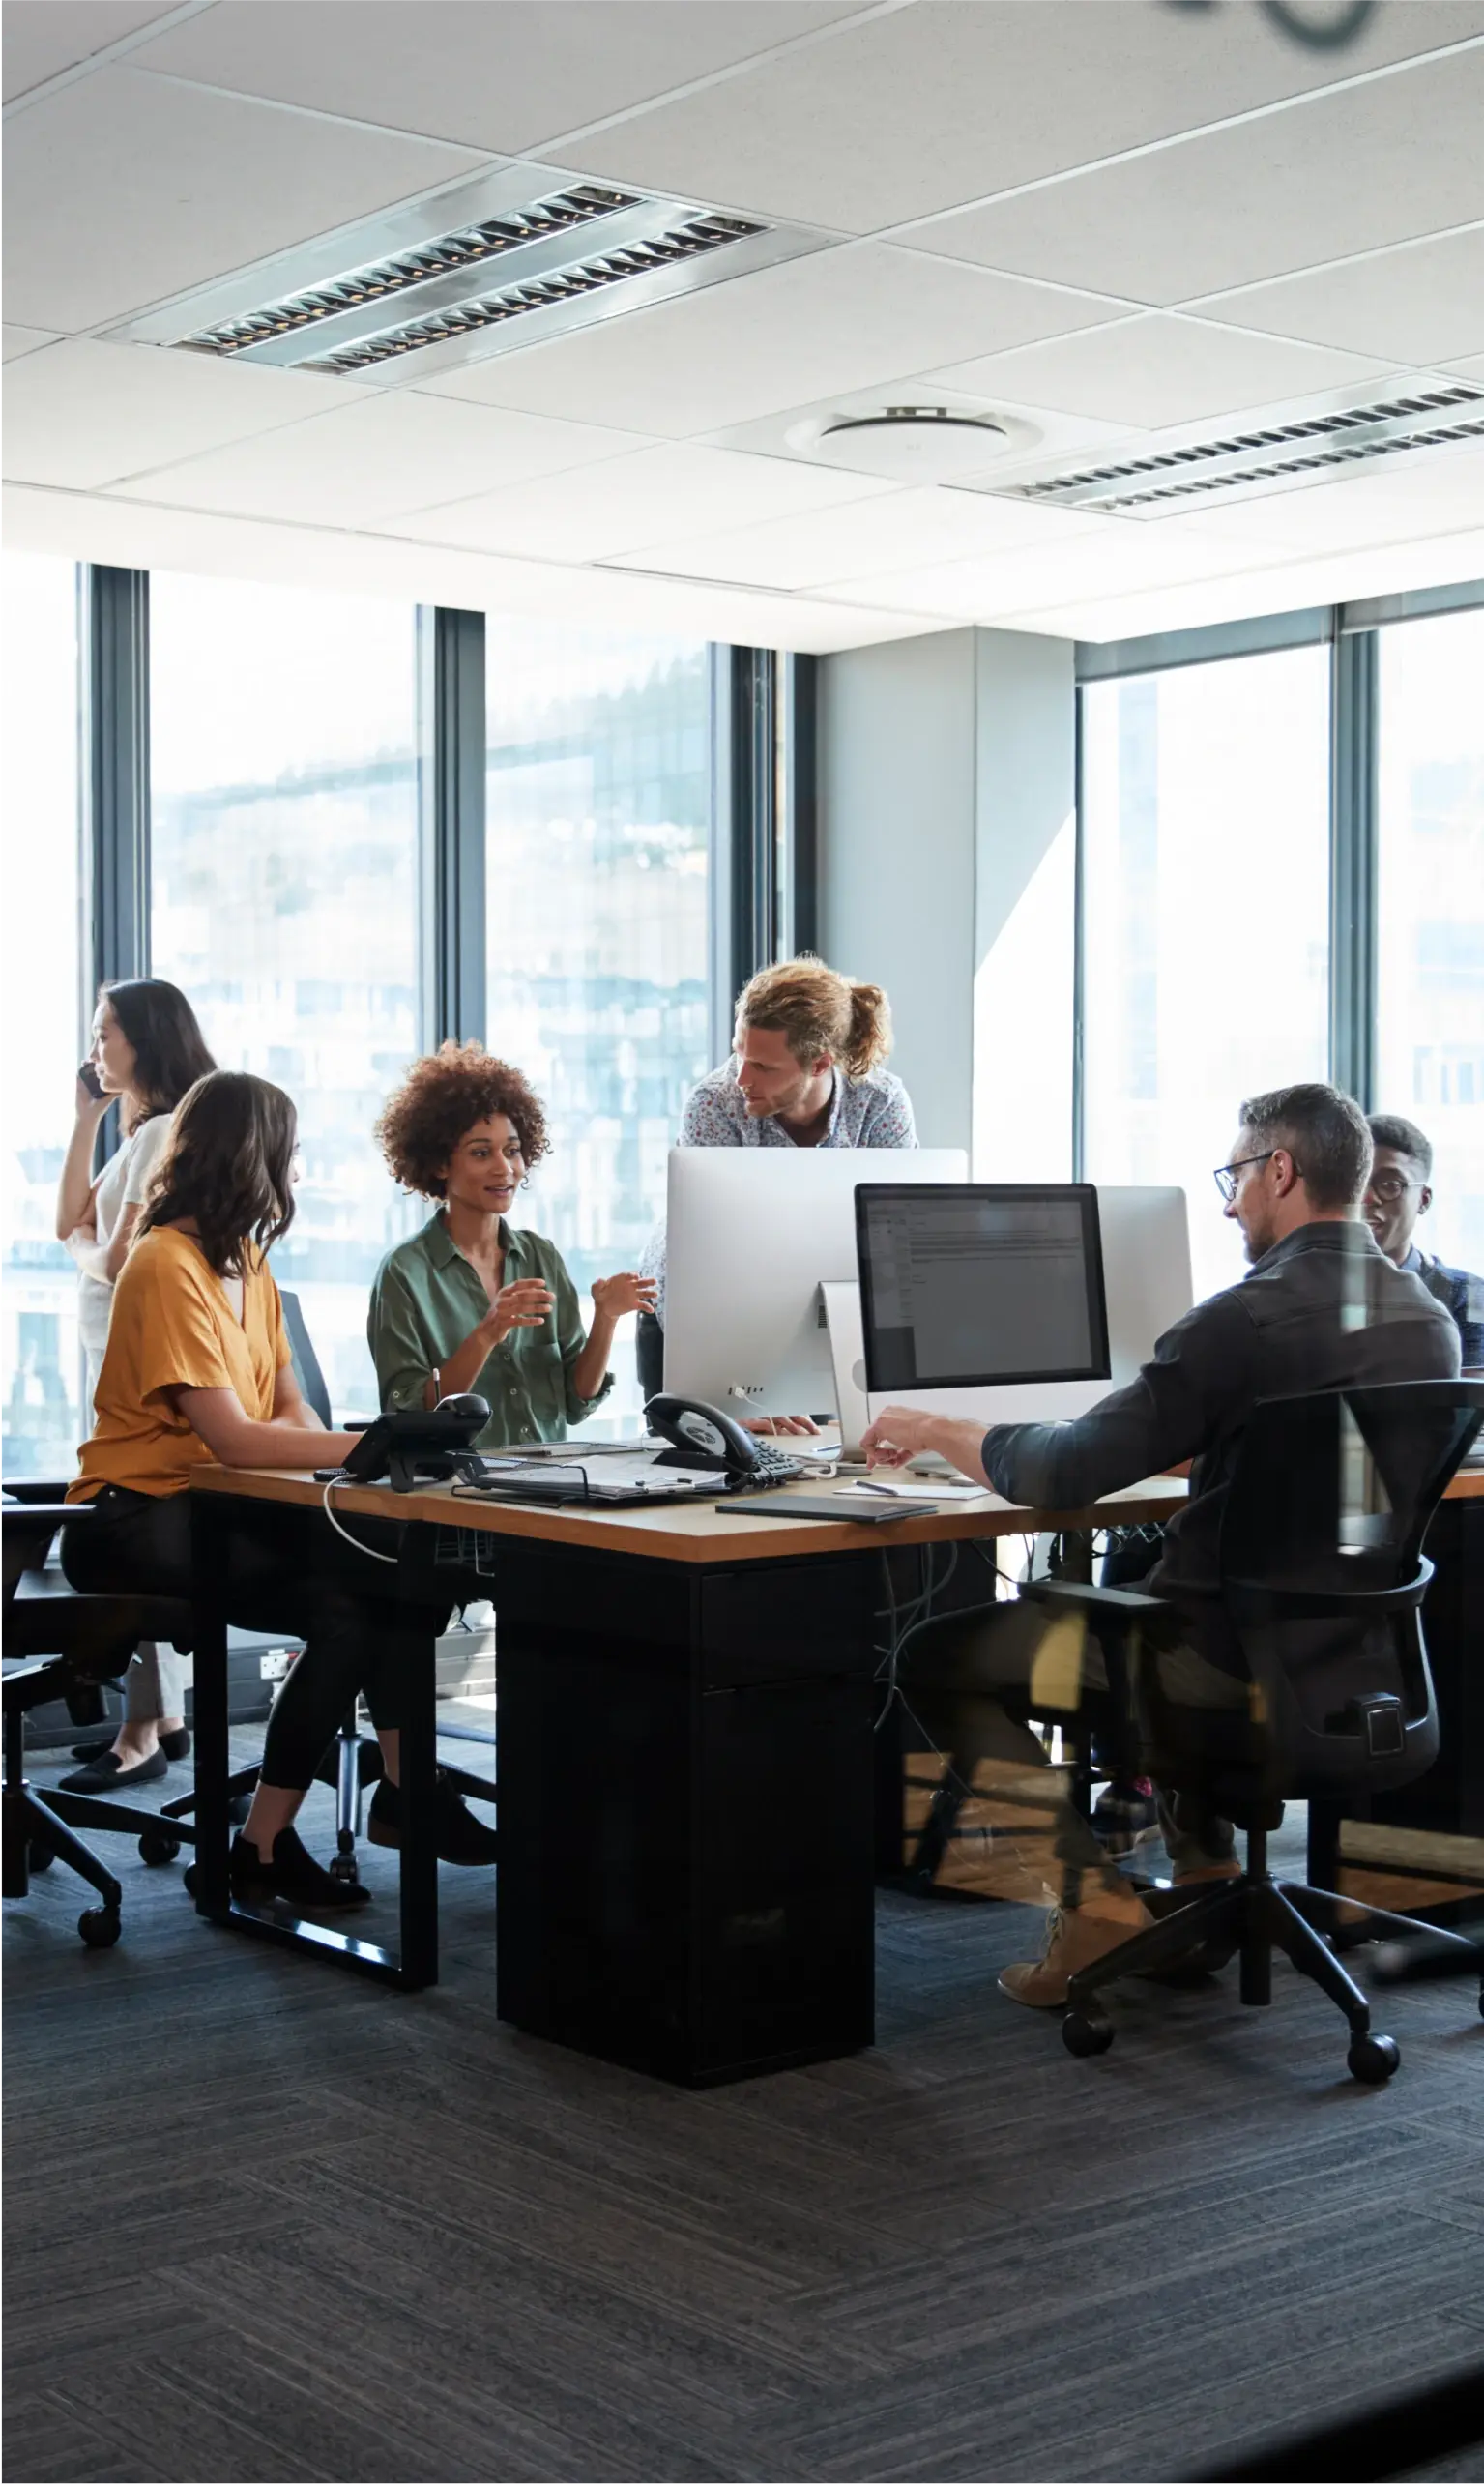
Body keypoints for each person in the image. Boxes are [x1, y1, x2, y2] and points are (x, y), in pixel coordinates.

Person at [861, 1082, 1460, 2006]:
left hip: (1218, 1661)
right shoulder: (1427, 1318)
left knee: (941, 1655)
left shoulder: (1239, 1321)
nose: (1228, 1204)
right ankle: (1206, 1881)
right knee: (1173, 1594)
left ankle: (1092, 1902)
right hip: (1353, 1663)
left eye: (1235, 1178)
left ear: (1280, 1171)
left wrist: (941, 1429)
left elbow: (1062, 1474)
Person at [59, 1069, 491, 1912]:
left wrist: (360, 1447)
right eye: (288, 1158)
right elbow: (233, 1437)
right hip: (133, 1516)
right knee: (357, 1601)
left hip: (216, 1507)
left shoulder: (245, 1263)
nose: (294, 1176)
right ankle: (337, 1818)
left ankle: (367, 1804)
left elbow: (288, 1408)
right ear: (249, 1160)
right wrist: (381, 1442)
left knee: (390, 1584)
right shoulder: (163, 1263)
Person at [54, 978, 215, 1792]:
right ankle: (167, 1717)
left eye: (105, 1033)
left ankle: (139, 1731)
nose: (95, 1050)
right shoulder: (142, 1131)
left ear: (146, 1038)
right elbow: (68, 1217)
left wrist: (85, 1252)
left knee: (131, 1506)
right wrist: (85, 1118)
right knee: (138, 1503)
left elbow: (106, 1257)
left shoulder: (164, 1136)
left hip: (126, 1345)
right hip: (109, 1346)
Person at [636, 955, 917, 1397]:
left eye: (764, 1067)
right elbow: (710, 1251)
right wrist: (745, 1385)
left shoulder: (878, 1103)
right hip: (696, 1313)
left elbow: (895, 1236)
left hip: (817, 1313)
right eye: (739, 1054)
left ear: (821, 1064)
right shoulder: (714, 1104)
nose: (742, 1079)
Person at [368, 1042, 654, 1450]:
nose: (505, 1168)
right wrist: (487, 1334)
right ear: (439, 1163)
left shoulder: (540, 1257)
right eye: (481, 1153)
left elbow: (576, 1401)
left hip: (549, 1482)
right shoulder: (404, 1273)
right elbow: (406, 1415)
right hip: (454, 1489)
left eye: (513, 1151)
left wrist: (605, 1319)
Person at [1364, 1112, 1484, 1368]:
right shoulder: (1311, 1288)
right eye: (1357, 1182)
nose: (1367, 1198)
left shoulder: (1469, 1293)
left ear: (1423, 1199)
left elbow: (1474, 1397)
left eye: (1390, 1184)